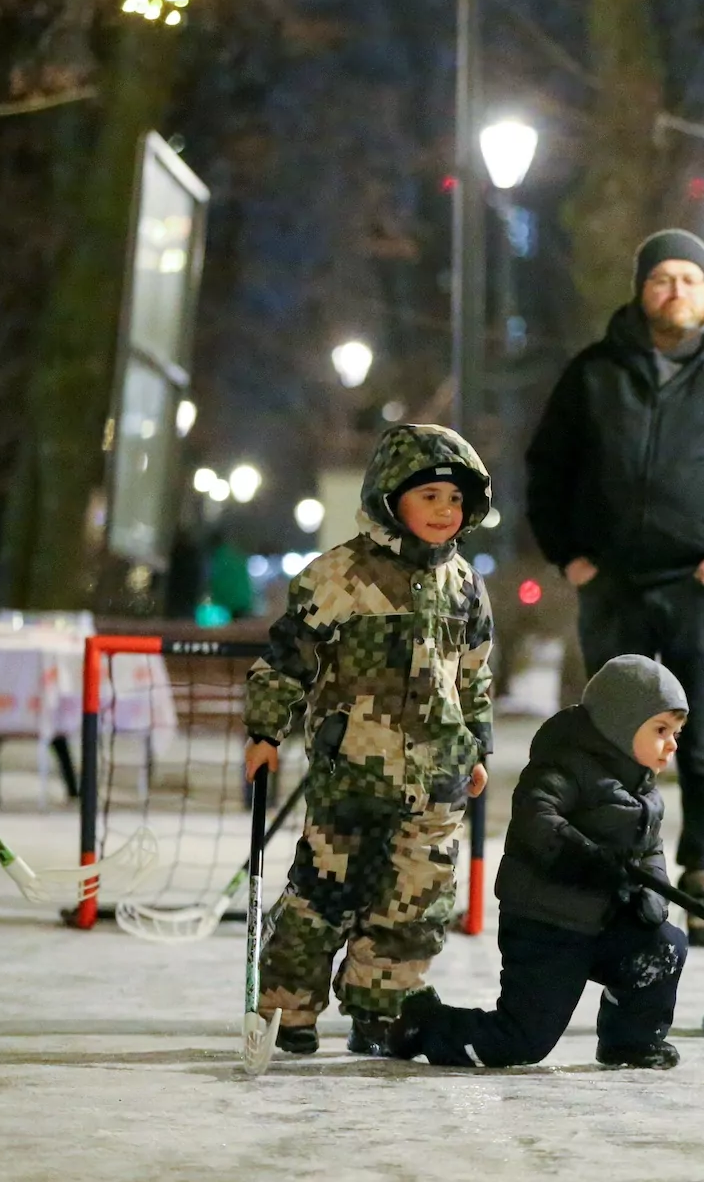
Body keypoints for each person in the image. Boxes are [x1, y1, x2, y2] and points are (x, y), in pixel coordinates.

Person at [243, 424, 496, 1056]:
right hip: (353, 772)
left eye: (456, 501)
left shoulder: (463, 583)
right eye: (430, 496)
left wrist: (477, 744)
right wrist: (264, 731)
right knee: (325, 894)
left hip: (436, 775)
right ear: (391, 496)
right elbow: (285, 659)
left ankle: (380, 1007)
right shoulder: (341, 575)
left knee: (415, 901)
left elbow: (474, 670)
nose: (445, 512)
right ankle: (288, 1007)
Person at [525, 228, 704, 947]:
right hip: (614, 583)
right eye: (660, 279)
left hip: (699, 583)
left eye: (688, 277)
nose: (674, 289)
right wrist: (570, 554)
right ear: (640, 289)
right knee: (611, 735)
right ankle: (617, 865)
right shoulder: (594, 371)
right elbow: (548, 466)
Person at [387, 655, 690, 1070]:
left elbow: (649, 850)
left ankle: (630, 1041)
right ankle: (426, 1024)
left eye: (675, 732)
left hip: (602, 922)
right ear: (620, 725)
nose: (672, 743)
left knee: (664, 946)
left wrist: (651, 895)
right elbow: (536, 816)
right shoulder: (565, 764)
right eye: (660, 730)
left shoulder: (643, 790)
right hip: (548, 926)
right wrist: (588, 858)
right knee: (520, 1043)